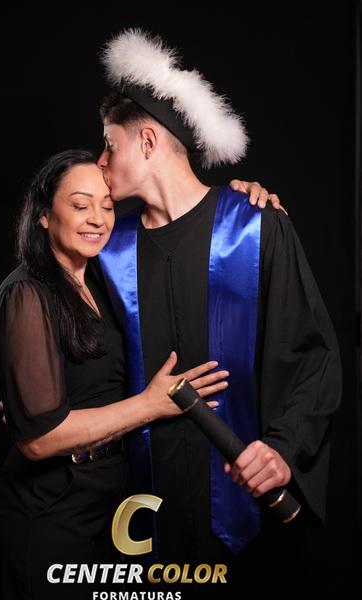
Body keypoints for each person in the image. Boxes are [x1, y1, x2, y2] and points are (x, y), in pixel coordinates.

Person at [93, 29, 342, 591]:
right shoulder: (108, 254)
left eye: (110, 144)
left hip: (248, 525)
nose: (100, 161)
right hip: (142, 528)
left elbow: (313, 361)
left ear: (148, 141)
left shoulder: (254, 228)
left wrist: (283, 450)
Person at [0, 149, 233, 599]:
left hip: (111, 506)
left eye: (106, 205)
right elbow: (39, 440)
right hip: (52, 511)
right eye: (80, 205)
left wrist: (242, 201)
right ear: (43, 214)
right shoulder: (27, 294)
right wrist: (150, 406)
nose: (97, 219)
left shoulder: (103, 281)